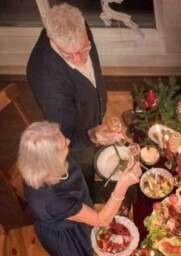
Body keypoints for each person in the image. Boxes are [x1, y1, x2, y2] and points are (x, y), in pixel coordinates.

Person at [17, 121, 141, 256]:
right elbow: (101, 220)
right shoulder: (50, 200)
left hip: (76, 205)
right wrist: (122, 185)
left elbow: (72, 141)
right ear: (51, 161)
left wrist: (96, 135)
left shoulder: (41, 161)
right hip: (69, 234)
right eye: (63, 145)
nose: (68, 141)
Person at [27, 3, 120, 187]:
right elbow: (66, 132)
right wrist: (92, 136)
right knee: (84, 176)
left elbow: (93, 74)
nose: (80, 60)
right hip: (75, 139)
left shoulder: (78, 26)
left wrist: (99, 112)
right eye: (70, 56)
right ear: (52, 40)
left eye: (84, 49)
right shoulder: (43, 76)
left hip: (90, 115)